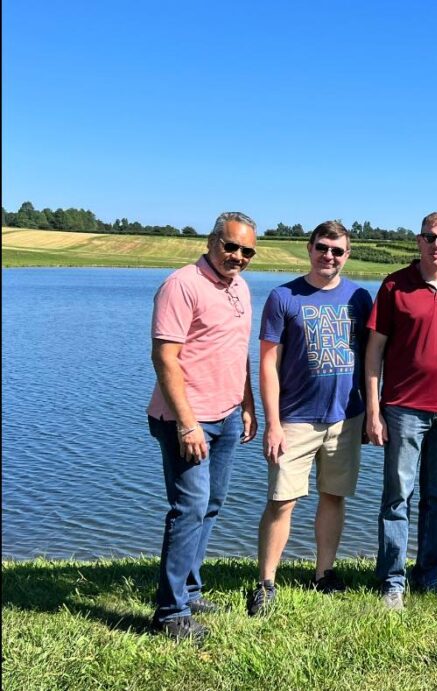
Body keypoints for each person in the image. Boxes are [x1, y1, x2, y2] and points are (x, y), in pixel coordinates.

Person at [246, 221, 373, 616]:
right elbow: (268, 363)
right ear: (309, 248)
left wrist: (371, 410)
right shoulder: (284, 297)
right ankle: (266, 582)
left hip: (346, 418)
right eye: (322, 247)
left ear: (347, 255)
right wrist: (272, 421)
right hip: (295, 419)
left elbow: (372, 359)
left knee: (333, 496)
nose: (329, 256)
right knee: (282, 500)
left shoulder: (360, 298)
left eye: (337, 250)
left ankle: (324, 573)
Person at [147, 212, 259, 642]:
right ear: (213, 241)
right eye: (230, 246)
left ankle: (189, 590)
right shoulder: (182, 284)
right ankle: (169, 614)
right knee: (188, 509)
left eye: (247, 250)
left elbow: (237, 350)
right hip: (187, 420)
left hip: (228, 414)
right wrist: (188, 424)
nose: (238, 257)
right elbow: (165, 358)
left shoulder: (241, 288)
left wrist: (247, 404)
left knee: (210, 505)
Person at [365, 211, 437, 610]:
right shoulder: (395, 285)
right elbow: (374, 350)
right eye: (430, 237)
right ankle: (392, 579)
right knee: (398, 496)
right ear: (419, 240)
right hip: (402, 409)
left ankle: (428, 575)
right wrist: (374, 411)